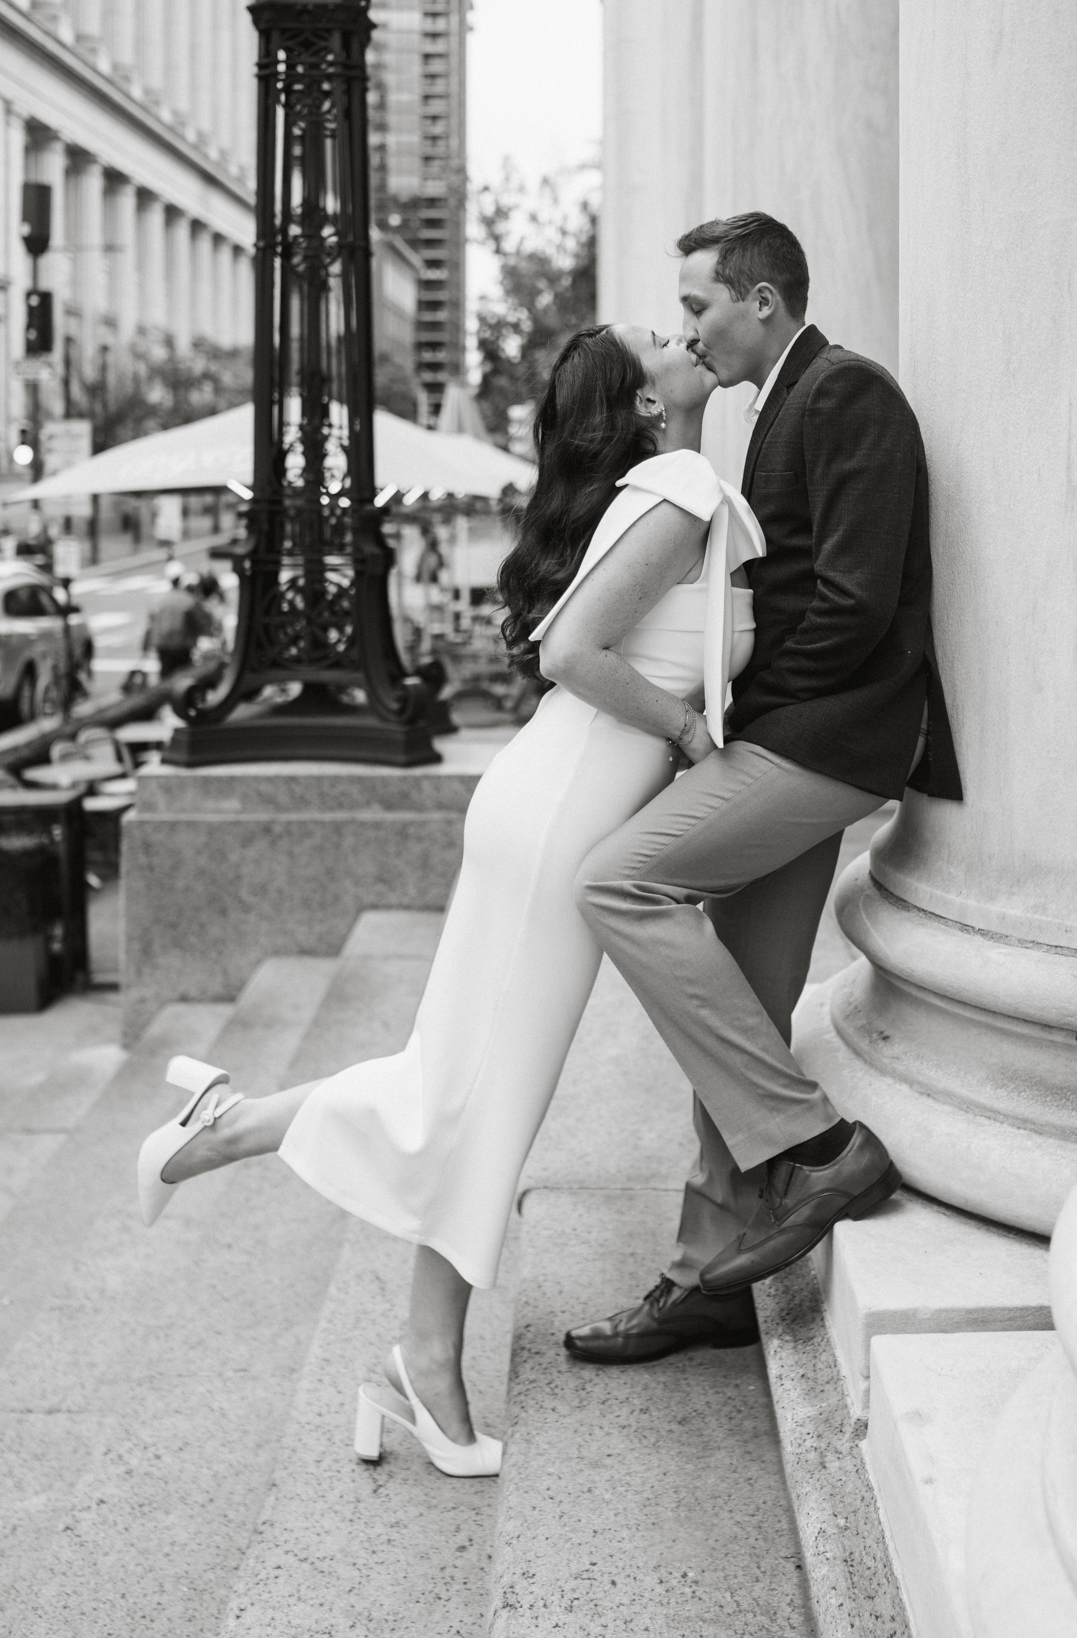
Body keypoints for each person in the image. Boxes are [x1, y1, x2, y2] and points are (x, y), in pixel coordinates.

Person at [137, 322, 765, 1478]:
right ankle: (261, 1170)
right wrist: (688, 735)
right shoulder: (679, 482)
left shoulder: (663, 485)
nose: (684, 333)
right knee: (478, 1097)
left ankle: (409, 1343)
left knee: (473, 1093)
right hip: (559, 813)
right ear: (643, 404)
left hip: (552, 803)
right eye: (662, 335)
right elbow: (571, 653)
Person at [564, 213, 962, 1365]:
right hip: (802, 734)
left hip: (828, 740)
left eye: (697, 305)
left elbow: (853, 603)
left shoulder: (846, 394)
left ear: (762, 301)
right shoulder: (778, 402)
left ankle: (821, 1147)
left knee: (617, 881)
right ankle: (706, 1277)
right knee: (735, 999)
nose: (689, 328)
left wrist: (732, 720)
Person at [143, 570, 205, 678]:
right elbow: (198, 623)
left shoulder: (162, 600)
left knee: (166, 674)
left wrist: (145, 645)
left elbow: (152, 623)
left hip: (163, 644)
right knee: (183, 675)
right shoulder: (188, 600)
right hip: (181, 644)